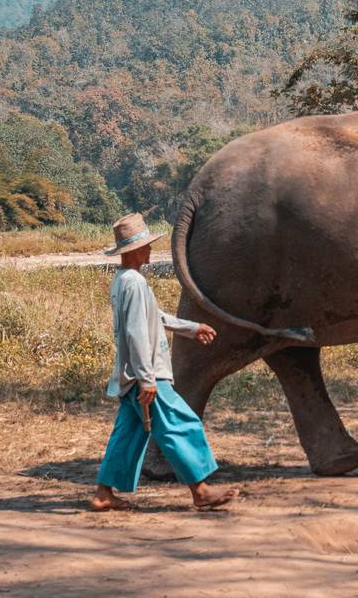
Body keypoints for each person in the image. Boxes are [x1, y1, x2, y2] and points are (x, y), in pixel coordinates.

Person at [91, 212, 237, 511]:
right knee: (180, 424)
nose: (149, 249)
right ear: (133, 250)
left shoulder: (125, 280)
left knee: (128, 434)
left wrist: (191, 328)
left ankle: (104, 493)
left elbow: (153, 318)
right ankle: (200, 490)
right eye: (146, 245)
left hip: (132, 376)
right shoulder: (133, 282)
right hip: (146, 374)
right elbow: (135, 331)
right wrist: (147, 378)